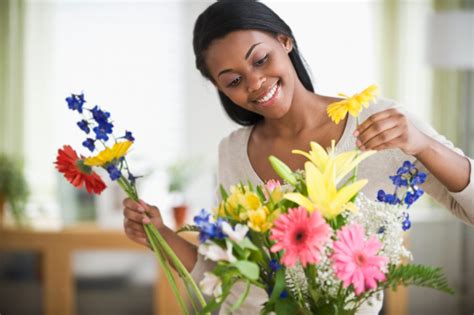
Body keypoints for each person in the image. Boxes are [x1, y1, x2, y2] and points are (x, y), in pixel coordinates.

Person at [122, 1, 473, 314]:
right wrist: (162, 234)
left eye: (261, 60)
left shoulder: (377, 122)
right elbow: (230, 278)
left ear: (285, 41)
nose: (256, 83)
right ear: (219, 87)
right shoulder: (232, 151)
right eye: (233, 80)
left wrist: (422, 144)